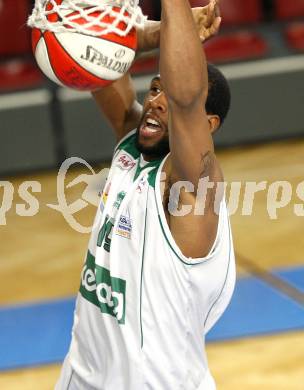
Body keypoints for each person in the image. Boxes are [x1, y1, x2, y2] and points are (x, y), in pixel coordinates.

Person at [56, 0, 236, 389]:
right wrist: (162, 33)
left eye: (166, 94)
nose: (156, 100)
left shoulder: (192, 185)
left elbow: (186, 97)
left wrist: (173, 10)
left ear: (208, 125)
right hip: (81, 375)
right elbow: (94, 47)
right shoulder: (130, 139)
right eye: (154, 88)